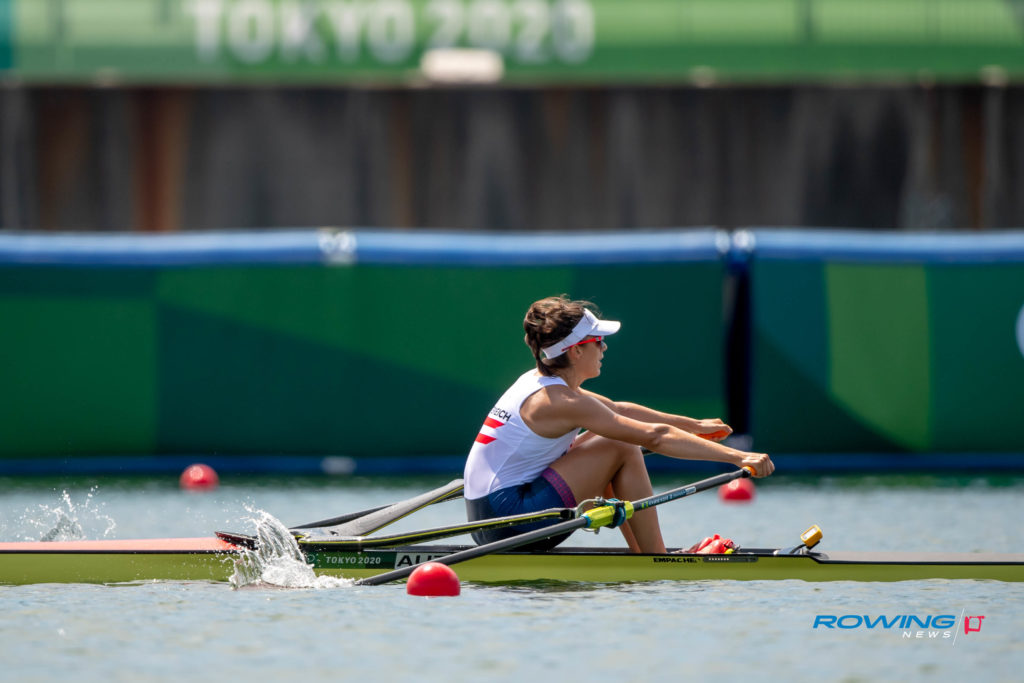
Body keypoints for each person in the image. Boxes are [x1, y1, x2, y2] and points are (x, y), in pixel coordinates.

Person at [463, 295, 774, 554]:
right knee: (620, 443)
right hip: (508, 523)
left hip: (489, 518)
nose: (605, 348)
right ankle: (655, 558)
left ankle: (645, 554)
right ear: (576, 350)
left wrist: (694, 425)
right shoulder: (560, 401)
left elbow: (617, 409)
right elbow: (655, 437)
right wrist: (738, 457)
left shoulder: (541, 382)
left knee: (611, 435)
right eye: (598, 341)